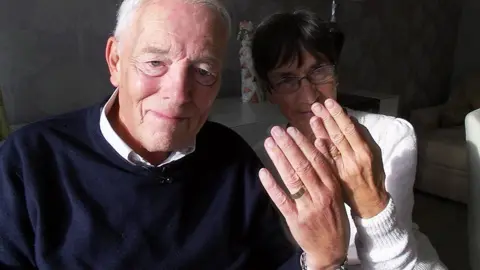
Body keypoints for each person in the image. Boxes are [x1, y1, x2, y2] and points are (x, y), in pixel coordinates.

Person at [0, 0, 360, 269]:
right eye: (155, 63)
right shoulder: (26, 162)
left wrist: (321, 258)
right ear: (115, 61)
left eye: (203, 70)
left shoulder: (234, 160)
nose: (179, 94)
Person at [251, 10, 447, 269]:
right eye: (287, 80)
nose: (310, 95)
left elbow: (393, 249)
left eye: (319, 72)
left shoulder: (391, 136)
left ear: (336, 74)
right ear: (269, 93)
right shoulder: (264, 159)